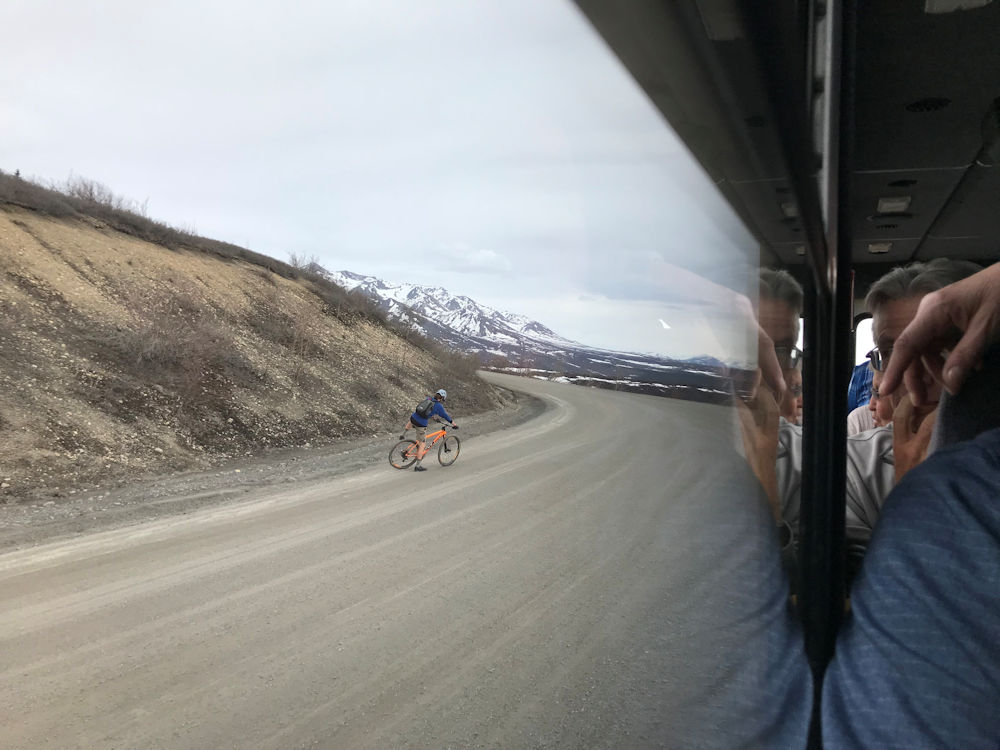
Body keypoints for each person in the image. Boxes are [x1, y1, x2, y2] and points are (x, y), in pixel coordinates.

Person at [401, 389, 457, 472]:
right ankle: (418, 466)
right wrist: (453, 424)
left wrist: (433, 416)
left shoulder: (429, 399)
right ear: (442, 398)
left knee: (418, 438)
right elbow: (445, 416)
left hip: (413, 418)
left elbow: (426, 410)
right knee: (422, 445)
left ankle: (403, 434)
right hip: (421, 423)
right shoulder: (439, 406)